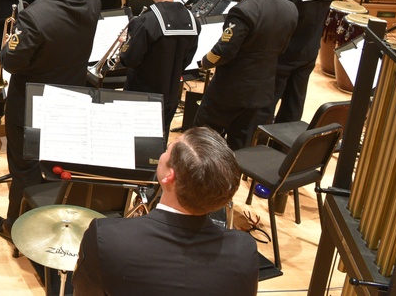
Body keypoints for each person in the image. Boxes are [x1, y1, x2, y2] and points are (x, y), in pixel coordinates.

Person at [0, 0, 101, 241]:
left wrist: (4, 48)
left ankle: (18, 225)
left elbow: (12, 61)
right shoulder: (91, 0)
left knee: (24, 166)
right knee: (56, 164)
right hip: (70, 98)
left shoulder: (35, 15)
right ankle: (57, 220)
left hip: (32, 104)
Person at [72, 127, 259, 296]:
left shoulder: (105, 237)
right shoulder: (243, 250)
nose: (162, 154)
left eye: (167, 149)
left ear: (170, 176)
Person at [196, 0, 297, 150]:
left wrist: (204, 62)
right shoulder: (290, 8)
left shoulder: (244, 9)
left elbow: (224, 50)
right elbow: (283, 48)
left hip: (231, 90)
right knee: (241, 145)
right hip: (263, 89)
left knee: (202, 140)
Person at [271, 0, 354, 123]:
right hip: (309, 53)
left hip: (283, 53)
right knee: (294, 103)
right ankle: (282, 146)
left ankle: (258, 143)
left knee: (268, 101)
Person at [120, 0, 200, 129]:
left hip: (141, 96)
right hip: (170, 96)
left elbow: (129, 59)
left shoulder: (145, 21)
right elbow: (187, 59)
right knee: (160, 142)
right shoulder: (192, 20)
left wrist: (124, 43)